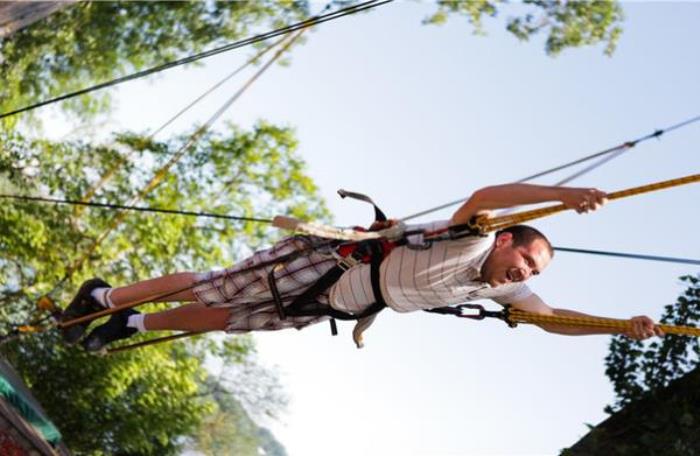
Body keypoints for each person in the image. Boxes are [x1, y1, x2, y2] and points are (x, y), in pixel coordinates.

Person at [61, 182, 663, 352]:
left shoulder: (509, 292)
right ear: (506, 241)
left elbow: (553, 319)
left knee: (222, 317)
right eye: (525, 258)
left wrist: (618, 324)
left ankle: (131, 326)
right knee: (211, 284)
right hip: (327, 264)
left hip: (333, 303)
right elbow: (483, 197)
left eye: (532, 273)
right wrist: (565, 194)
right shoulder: (475, 239)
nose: (524, 274)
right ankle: (106, 297)